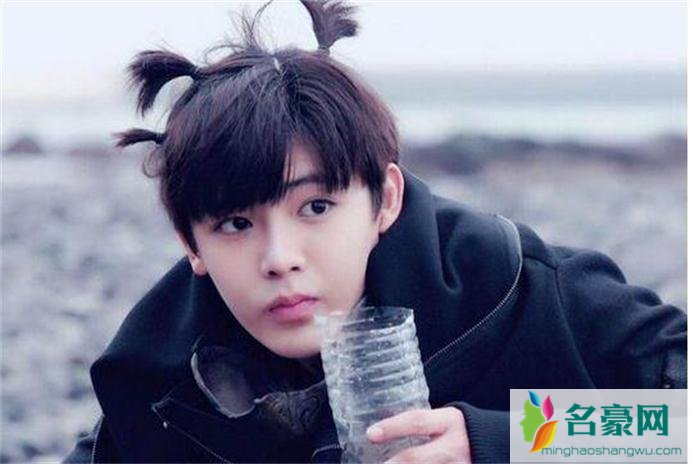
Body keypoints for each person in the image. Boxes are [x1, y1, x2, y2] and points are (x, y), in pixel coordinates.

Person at [63, 1, 687, 462]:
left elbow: (679, 426)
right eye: (235, 223)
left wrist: (504, 440)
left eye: (316, 208)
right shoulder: (159, 383)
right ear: (190, 244)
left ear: (385, 199)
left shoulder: (513, 286)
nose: (279, 258)